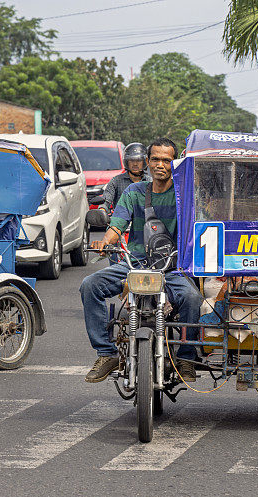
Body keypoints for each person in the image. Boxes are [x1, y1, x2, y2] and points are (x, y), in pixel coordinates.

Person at [80, 138, 204, 383]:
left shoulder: (184, 195)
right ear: (147, 162)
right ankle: (106, 354)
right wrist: (105, 241)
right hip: (134, 264)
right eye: (155, 159)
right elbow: (117, 225)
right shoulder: (133, 192)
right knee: (89, 285)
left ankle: (187, 358)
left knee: (192, 298)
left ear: (174, 163)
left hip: (172, 267)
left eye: (167, 160)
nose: (160, 165)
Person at [102, 142, 148, 212]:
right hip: (120, 220)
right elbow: (106, 199)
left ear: (144, 161)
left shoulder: (151, 182)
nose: (135, 164)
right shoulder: (116, 181)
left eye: (138, 160)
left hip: (144, 220)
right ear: (126, 161)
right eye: (132, 160)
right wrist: (102, 209)